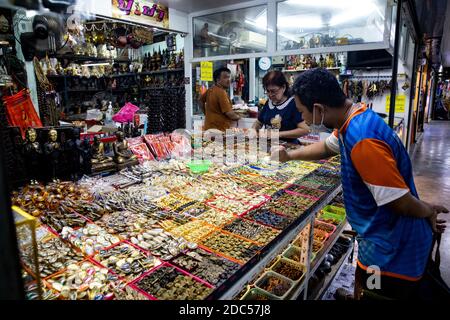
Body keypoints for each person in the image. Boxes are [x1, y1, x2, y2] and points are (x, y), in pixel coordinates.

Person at [271, 68, 448, 300]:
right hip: (378, 237)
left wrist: (428, 210)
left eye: (303, 112)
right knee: (366, 284)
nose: (303, 119)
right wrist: (289, 156)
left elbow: (400, 203)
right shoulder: (353, 118)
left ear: (318, 109)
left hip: (390, 250)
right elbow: (327, 147)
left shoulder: (363, 138)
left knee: (376, 290)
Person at [253, 71, 309, 143]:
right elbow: (259, 122)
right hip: (269, 145)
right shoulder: (269, 102)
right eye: (267, 91)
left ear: (283, 87)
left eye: (273, 91)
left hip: (288, 147)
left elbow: (305, 130)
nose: (270, 95)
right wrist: (253, 130)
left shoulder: (293, 104)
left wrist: (277, 134)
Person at [199, 67, 241, 132]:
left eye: (229, 77)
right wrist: (238, 117)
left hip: (209, 128)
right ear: (218, 80)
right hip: (219, 131)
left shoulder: (211, 89)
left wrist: (206, 114)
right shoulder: (221, 92)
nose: (228, 80)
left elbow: (200, 101)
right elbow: (229, 113)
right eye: (225, 77)